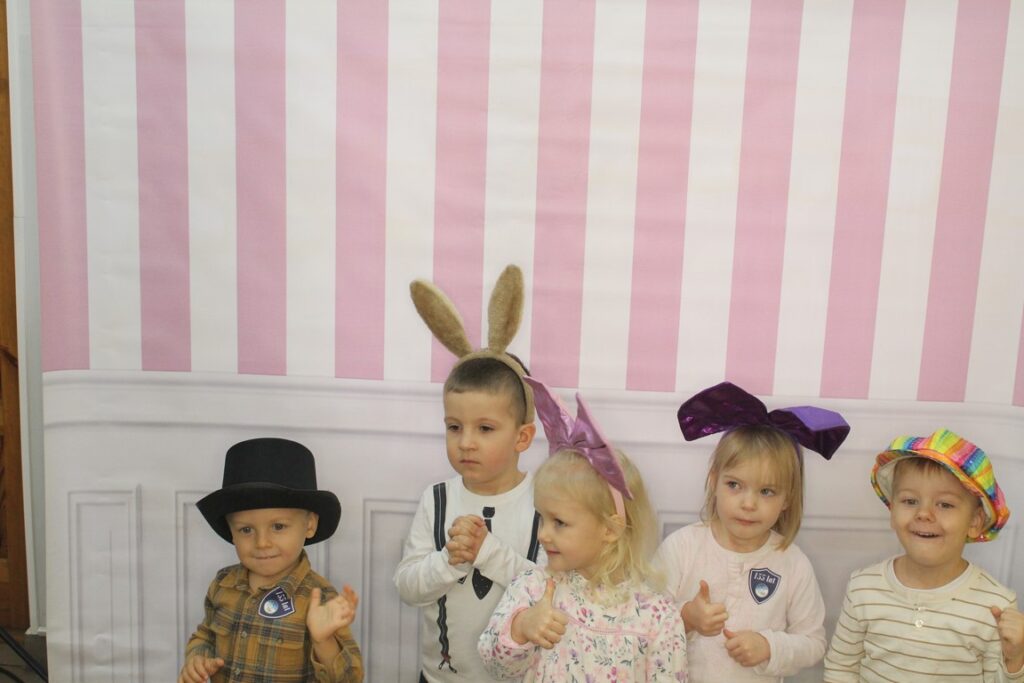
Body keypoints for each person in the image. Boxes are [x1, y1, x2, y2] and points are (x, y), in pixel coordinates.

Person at [478, 377, 688, 681]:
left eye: (559, 522)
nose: (542, 534)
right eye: (542, 518)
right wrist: (521, 627)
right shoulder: (533, 588)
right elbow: (496, 667)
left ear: (610, 530)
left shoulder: (657, 617)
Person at [395, 265, 545, 682]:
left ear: (522, 436)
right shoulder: (437, 499)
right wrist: (449, 560)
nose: (466, 443)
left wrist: (486, 552)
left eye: (485, 429)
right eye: (454, 427)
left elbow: (551, 592)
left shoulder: (546, 502)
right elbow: (407, 587)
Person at [657, 381, 850, 682]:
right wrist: (686, 618)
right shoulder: (681, 547)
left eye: (767, 491)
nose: (748, 504)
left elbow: (813, 643)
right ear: (714, 481)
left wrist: (769, 647)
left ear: (787, 499)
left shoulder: (792, 563)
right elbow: (640, 620)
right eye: (734, 485)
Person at [823, 429, 1024, 681]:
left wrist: (1015, 660)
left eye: (945, 504)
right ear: (892, 511)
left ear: (974, 521)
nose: (924, 514)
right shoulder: (863, 588)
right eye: (910, 501)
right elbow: (841, 668)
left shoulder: (995, 606)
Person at [180, 437, 363, 683]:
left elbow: (349, 678)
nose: (262, 543)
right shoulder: (223, 583)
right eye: (246, 530)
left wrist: (324, 641)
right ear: (231, 531)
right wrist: (197, 659)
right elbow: (205, 636)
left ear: (310, 524)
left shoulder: (321, 600)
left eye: (278, 526)